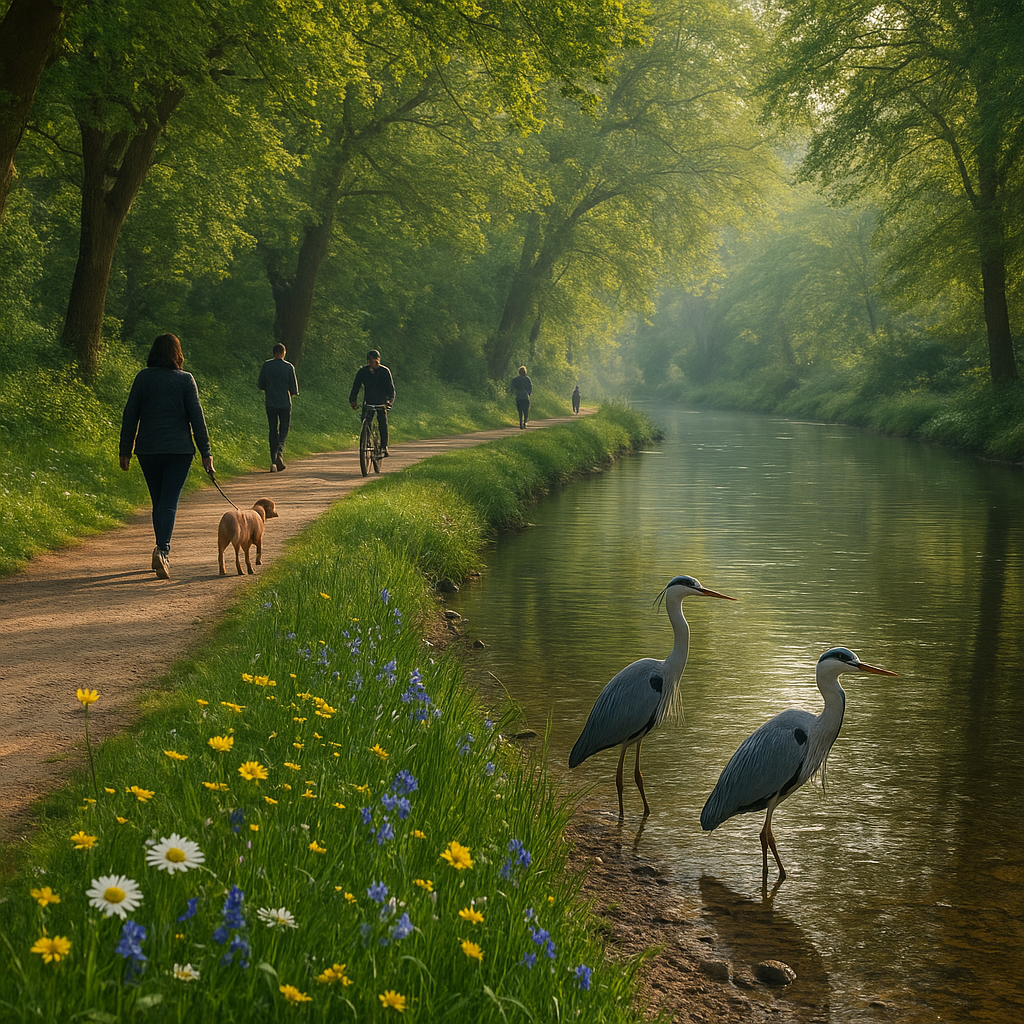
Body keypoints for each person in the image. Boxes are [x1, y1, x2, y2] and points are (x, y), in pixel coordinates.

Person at [119, 333, 214, 580]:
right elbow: (197, 418)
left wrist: (125, 450)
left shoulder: (143, 378)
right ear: (178, 354)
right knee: (169, 503)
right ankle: (163, 550)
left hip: (148, 449)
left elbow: (130, 415)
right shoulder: (185, 380)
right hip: (179, 450)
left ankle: (160, 547)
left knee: (158, 501)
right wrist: (206, 453)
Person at [257, 343, 299, 472]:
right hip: (285, 403)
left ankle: (273, 460)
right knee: (284, 428)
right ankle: (279, 452)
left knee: (273, 429)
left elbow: (260, 384)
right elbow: (293, 389)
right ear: (283, 353)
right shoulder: (288, 367)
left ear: (273, 352)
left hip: (270, 403)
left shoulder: (266, 366)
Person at [349, 349, 395, 454]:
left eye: (374, 360)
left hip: (381, 402)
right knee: (366, 420)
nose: (372, 362)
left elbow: (391, 390)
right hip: (368, 401)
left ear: (378, 360)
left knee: (382, 421)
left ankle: (384, 446)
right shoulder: (363, 372)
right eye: (370, 360)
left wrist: (389, 401)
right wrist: (353, 400)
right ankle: (367, 440)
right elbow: (356, 387)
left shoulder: (384, 371)